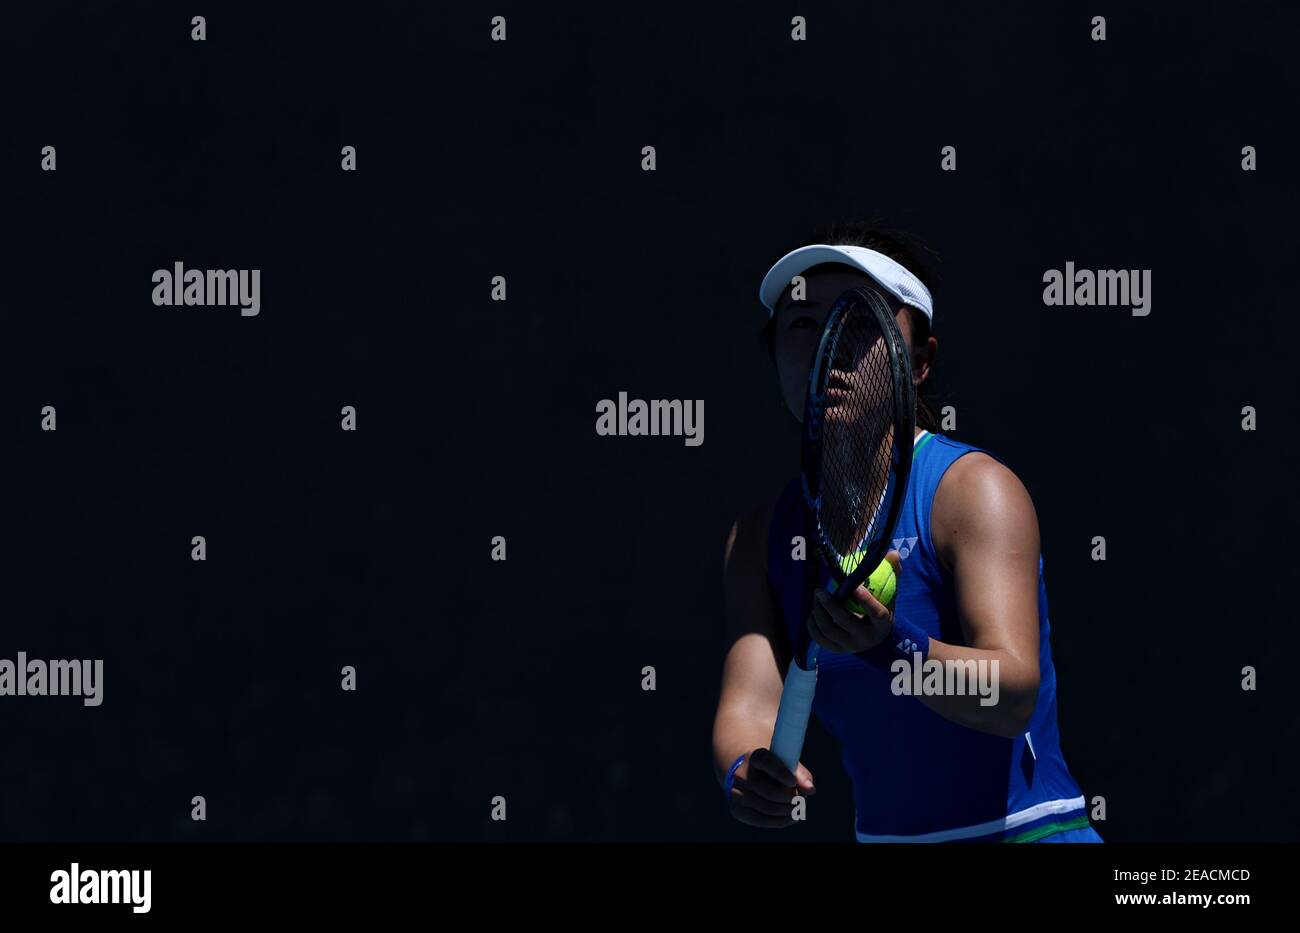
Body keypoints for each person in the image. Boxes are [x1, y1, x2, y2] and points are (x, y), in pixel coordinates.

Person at [712, 221, 1101, 842]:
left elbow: (1013, 693)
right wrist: (745, 768)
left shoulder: (973, 491)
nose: (826, 349)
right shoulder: (759, 538)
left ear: (919, 362)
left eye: (858, 323)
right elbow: (750, 704)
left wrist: (893, 650)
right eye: (803, 325)